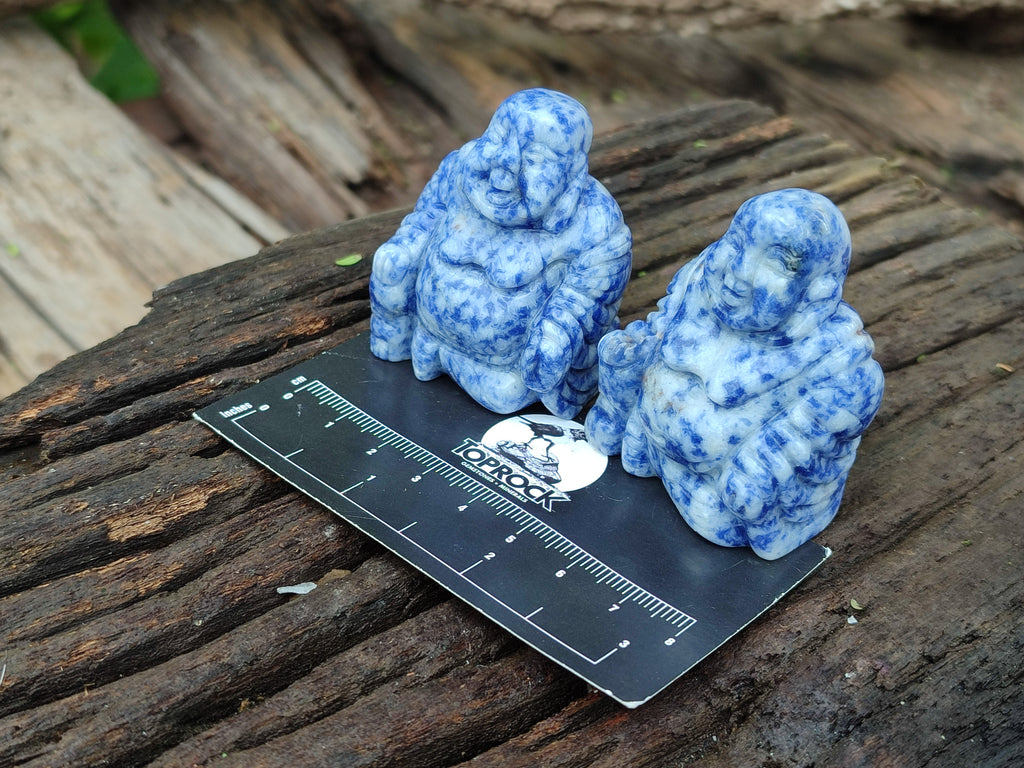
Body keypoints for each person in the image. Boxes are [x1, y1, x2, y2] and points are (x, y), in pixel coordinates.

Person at [586, 188, 884, 559]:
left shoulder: (838, 364)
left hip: (716, 495)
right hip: (647, 441)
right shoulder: (696, 281)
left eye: (778, 264)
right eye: (737, 241)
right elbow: (656, 332)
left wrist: (757, 473)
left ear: (816, 293)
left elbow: (788, 456)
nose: (739, 273)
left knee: (724, 509)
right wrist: (626, 371)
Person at [369, 88, 631, 418]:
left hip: (509, 373)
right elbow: (426, 217)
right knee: (392, 264)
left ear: (572, 176)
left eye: (535, 159)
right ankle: (411, 344)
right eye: (498, 138)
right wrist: (401, 255)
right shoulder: (459, 168)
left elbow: (587, 298)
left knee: (537, 368)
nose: (504, 169)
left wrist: (556, 335)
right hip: (426, 336)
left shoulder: (595, 222)